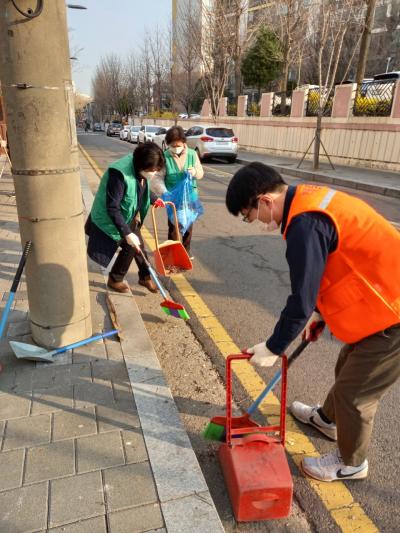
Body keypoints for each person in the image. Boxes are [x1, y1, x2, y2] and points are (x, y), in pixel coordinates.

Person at [225, 162, 400, 482]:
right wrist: (321, 313)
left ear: (264, 200)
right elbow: (329, 267)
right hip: (380, 301)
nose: (254, 222)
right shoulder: (306, 198)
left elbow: (300, 301)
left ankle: (352, 464)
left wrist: (273, 346)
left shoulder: (305, 223)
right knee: (347, 365)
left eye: (248, 215)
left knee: (355, 393)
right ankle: (328, 420)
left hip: (394, 312)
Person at [85, 142, 166, 294]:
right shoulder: (119, 174)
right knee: (131, 245)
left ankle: (145, 277)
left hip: (128, 214)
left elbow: (141, 188)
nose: (154, 173)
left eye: (156, 169)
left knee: (138, 246)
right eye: (152, 170)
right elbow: (112, 207)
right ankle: (115, 280)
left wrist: (153, 198)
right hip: (111, 217)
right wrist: (127, 233)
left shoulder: (140, 167)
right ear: (142, 165)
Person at [151, 126, 204, 258]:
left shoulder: (192, 154)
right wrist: (164, 192)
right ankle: (173, 251)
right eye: (172, 145)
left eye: (178, 145)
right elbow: (157, 177)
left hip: (189, 197)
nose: (176, 147)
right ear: (168, 144)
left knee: (188, 225)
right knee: (173, 226)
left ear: (183, 142)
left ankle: (186, 251)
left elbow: (201, 173)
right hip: (172, 197)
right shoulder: (165, 156)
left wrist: (194, 172)